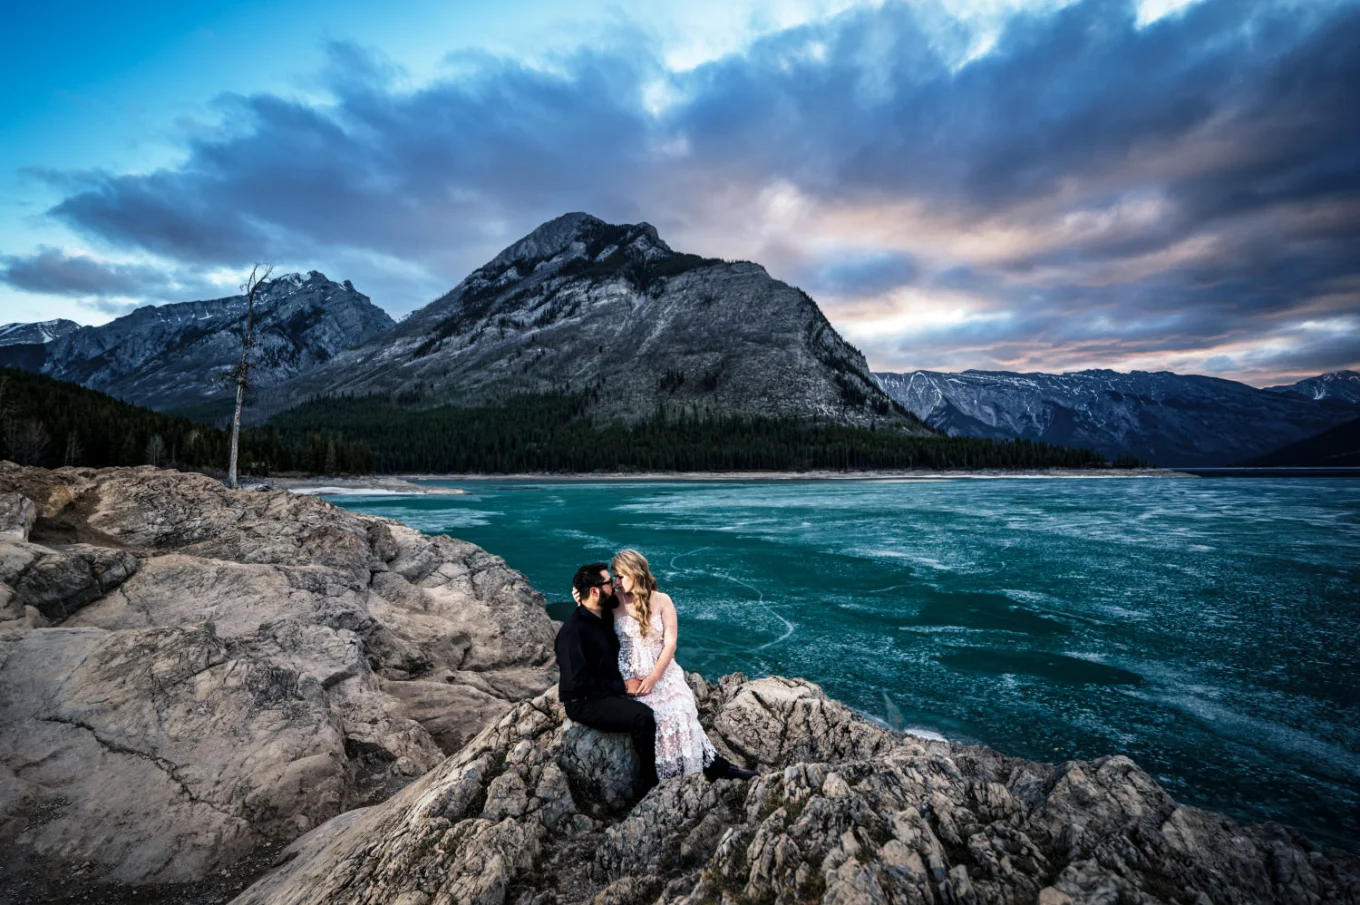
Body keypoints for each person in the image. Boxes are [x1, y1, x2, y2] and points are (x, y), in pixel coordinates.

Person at [607, 549, 758, 783]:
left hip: (662, 673)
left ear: (635, 573)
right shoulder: (613, 602)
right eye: (614, 577)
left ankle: (711, 767)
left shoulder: (662, 600)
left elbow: (670, 643)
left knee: (681, 710)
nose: (616, 581)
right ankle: (662, 778)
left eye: (620, 576)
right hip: (632, 677)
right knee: (656, 718)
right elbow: (587, 616)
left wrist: (654, 677)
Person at [555, 561, 660, 800]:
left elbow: (627, 595)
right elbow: (577, 685)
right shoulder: (573, 632)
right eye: (609, 582)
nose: (615, 585)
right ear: (594, 591)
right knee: (643, 717)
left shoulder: (600, 614)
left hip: (605, 690)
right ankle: (648, 787)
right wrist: (622, 687)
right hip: (584, 702)